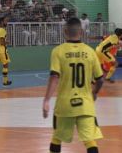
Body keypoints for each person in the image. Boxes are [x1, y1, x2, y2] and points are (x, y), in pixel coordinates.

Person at [43, 17, 104, 153]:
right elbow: (100, 79)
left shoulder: (58, 51)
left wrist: (46, 100)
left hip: (64, 105)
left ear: (65, 31)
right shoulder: (90, 51)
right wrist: (94, 92)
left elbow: (54, 77)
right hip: (85, 105)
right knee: (90, 141)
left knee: (57, 138)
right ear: (81, 32)